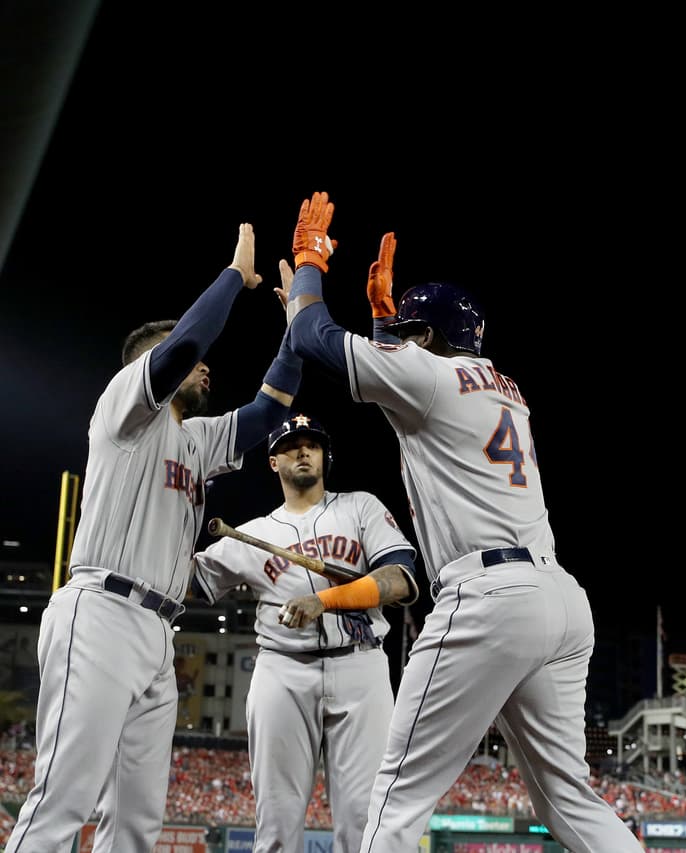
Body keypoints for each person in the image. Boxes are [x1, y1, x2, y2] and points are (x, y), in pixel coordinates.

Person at [279, 191, 643, 852]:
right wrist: (389, 324)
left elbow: (309, 336)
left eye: (413, 334)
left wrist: (309, 263)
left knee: (393, 792)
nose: (403, 342)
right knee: (570, 799)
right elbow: (410, 380)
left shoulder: (431, 379)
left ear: (431, 340)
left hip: (490, 599)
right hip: (559, 599)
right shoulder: (504, 387)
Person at [7, 224, 303, 852]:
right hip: (101, 612)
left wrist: (297, 324)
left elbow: (269, 411)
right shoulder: (125, 409)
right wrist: (232, 279)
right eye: (181, 354)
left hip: (156, 632)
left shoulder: (195, 440)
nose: (203, 364)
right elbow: (185, 342)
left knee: (139, 823)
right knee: (64, 797)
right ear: (149, 363)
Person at [190, 413, 419, 852]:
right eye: (292, 445)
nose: (303, 451)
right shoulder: (253, 534)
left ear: (324, 456)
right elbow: (187, 581)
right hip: (283, 670)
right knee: (276, 822)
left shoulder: (360, 507)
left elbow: (401, 580)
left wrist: (326, 601)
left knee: (365, 820)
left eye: (312, 444)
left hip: (361, 665)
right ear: (273, 462)